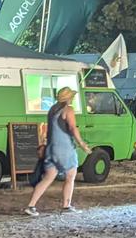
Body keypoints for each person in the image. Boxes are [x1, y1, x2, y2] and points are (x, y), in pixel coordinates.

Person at [25, 87, 92, 216]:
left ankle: (31, 205)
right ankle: (66, 205)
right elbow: (72, 127)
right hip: (64, 148)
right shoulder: (68, 110)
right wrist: (81, 143)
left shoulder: (52, 110)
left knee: (48, 178)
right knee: (71, 175)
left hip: (51, 148)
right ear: (69, 98)